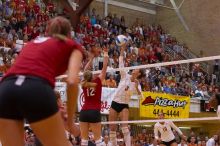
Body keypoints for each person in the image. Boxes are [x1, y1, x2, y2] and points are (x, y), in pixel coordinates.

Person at [0, 16, 84, 146]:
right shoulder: (72, 45)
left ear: (47, 32)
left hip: (6, 88)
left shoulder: (32, 43)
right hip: (35, 87)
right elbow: (72, 81)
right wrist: (71, 122)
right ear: (69, 34)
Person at [108, 43, 144, 146]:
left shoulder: (137, 84)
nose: (134, 69)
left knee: (124, 127)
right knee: (112, 129)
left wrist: (137, 87)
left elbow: (141, 98)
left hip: (124, 105)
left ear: (139, 73)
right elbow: (120, 63)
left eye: (137, 69)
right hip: (115, 103)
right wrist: (122, 50)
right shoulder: (125, 75)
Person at [79, 49, 109, 146]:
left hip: (84, 111)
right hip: (94, 111)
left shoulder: (83, 83)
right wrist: (105, 54)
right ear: (92, 75)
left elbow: (85, 71)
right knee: (98, 140)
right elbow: (104, 68)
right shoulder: (98, 81)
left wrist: (91, 59)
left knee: (84, 140)